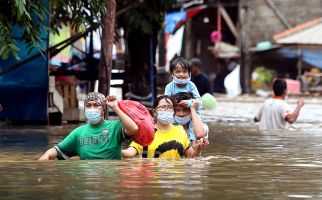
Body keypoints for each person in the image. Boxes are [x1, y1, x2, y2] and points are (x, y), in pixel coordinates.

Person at [38, 92, 138, 160]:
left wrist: (115, 107)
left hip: (109, 180)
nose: (92, 108)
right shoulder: (79, 132)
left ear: (103, 110)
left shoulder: (115, 127)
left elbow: (133, 128)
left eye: (96, 105)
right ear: (85, 109)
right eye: (88, 105)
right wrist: (46, 155)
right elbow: (57, 150)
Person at [122, 95, 204, 159]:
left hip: (176, 179)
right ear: (154, 112)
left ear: (173, 112)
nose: (166, 110)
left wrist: (198, 148)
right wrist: (113, 149)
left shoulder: (180, 130)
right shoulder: (145, 131)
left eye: (169, 107)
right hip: (152, 178)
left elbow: (190, 157)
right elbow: (130, 153)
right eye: (162, 107)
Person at [164, 57, 202, 141]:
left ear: (189, 73)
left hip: (190, 113)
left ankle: (192, 140)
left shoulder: (191, 85)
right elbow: (165, 101)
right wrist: (176, 103)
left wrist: (189, 103)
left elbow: (199, 101)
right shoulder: (169, 86)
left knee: (196, 119)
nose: (181, 74)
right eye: (178, 71)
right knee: (168, 119)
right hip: (176, 113)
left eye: (184, 71)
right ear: (172, 73)